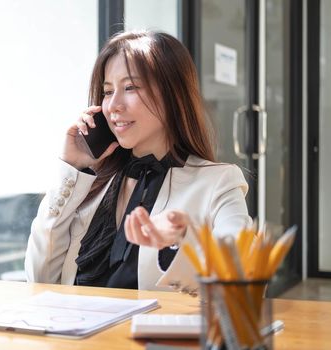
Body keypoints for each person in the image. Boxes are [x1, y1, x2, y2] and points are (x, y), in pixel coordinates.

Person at [24, 30, 252, 293]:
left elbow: (240, 276)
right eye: (108, 91)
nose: (113, 106)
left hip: (151, 334)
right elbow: (38, 280)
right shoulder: (93, 183)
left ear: (173, 94)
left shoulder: (217, 182)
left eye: (130, 87)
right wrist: (71, 168)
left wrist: (185, 239)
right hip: (78, 331)